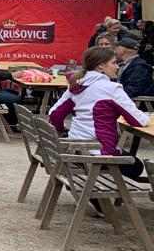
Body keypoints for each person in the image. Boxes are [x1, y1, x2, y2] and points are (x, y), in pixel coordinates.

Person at [49, 46, 150, 180]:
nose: (117, 67)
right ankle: (98, 196)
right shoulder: (111, 89)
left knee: (128, 159)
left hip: (76, 148)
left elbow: (54, 115)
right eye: (113, 63)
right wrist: (146, 116)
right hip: (99, 153)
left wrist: (62, 130)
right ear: (101, 66)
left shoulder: (77, 85)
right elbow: (138, 121)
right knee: (136, 166)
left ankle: (94, 193)